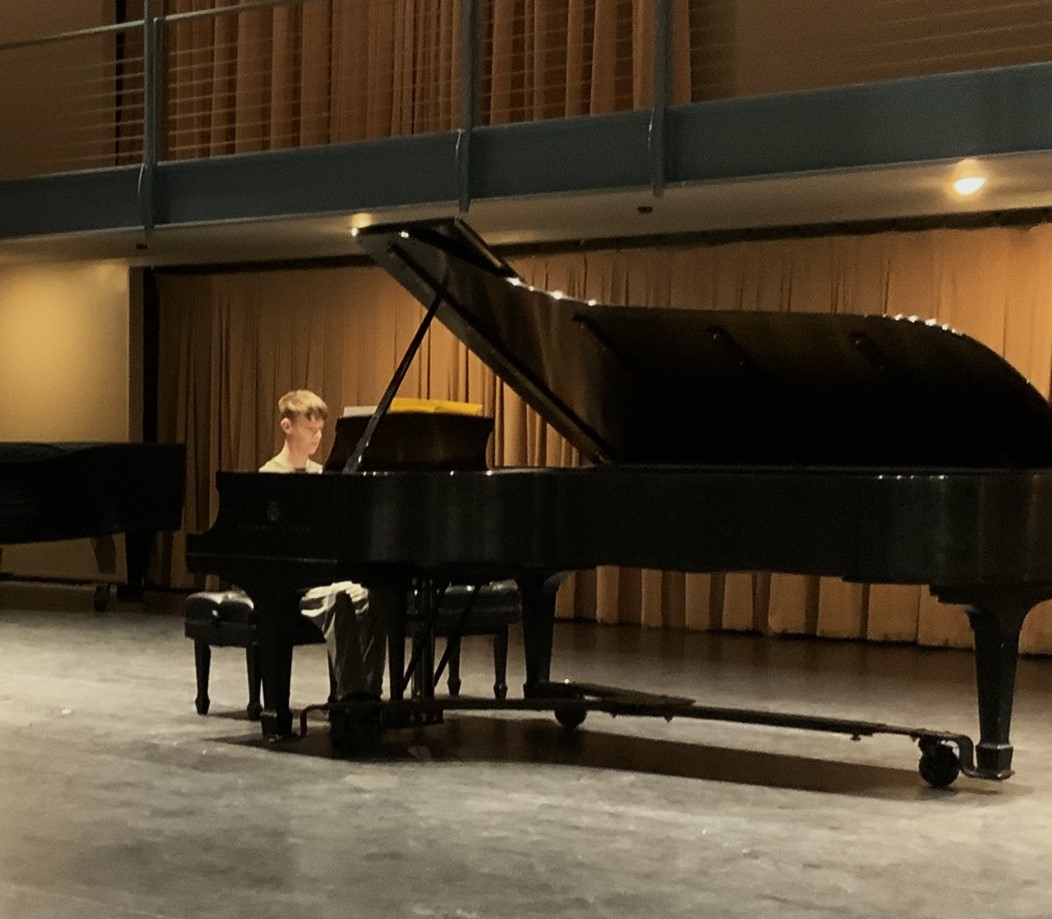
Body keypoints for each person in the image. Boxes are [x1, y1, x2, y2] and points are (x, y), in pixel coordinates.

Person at [259, 389, 386, 707]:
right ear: (287, 426)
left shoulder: (322, 475)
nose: (317, 436)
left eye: (320, 430)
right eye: (310, 428)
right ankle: (350, 700)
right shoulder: (269, 476)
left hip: (325, 577)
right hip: (293, 584)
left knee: (374, 598)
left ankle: (370, 696)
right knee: (338, 601)